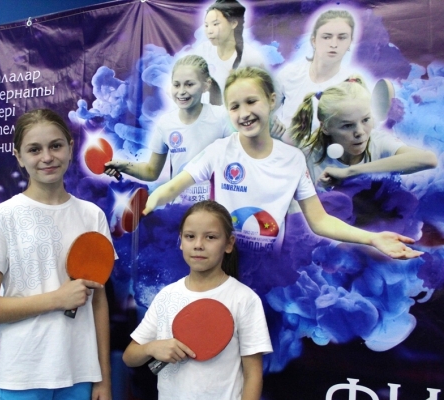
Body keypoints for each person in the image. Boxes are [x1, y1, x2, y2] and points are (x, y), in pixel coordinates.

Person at [143, 67, 423, 260]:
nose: (244, 113)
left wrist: (372, 238)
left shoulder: (292, 159)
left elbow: (320, 220)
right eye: (235, 106)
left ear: (271, 101)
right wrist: (152, 201)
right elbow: (174, 187)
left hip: (267, 270)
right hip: (222, 266)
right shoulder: (219, 151)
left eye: (251, 101)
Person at [0, 108, 112, 400]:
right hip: (24, 374)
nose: (47, 157)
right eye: (34, 149)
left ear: (71, 148)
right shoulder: (1, 218)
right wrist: (56, 299)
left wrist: (103, 378)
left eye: (56, 146)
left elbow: (98, 303)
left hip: (79, 373)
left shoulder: (92, 216)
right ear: (19, 156)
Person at [122, 200, 272, 400]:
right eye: (190, 236)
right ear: (181, 242)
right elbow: (130, 357)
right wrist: (152, 348)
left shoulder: (244, 299)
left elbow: (253, 375)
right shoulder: (167, 296)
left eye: (210, 237)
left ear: (229, 244)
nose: (199, 245)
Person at [105, 55, 232, 203]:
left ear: (206, 85)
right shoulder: (166, 123)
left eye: (189, 84)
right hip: (180, 210)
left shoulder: (222, 117)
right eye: (176, 85)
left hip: (216, 209)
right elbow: (151, 171)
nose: (181, 91)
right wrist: (123, 166)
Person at [289, 76, 438, 189]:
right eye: (347, 126)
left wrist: (351, 172)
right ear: (325, 128)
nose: (360, 132)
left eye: (366, 120)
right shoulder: (306, 156)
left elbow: (428, 159)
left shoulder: (378, 142)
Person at [276, 9, 362, 133]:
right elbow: (266, 110)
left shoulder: (352, 86)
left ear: (350, 43)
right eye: (326, 37)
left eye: (342, 38)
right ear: (314, 40)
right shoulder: (289, 73)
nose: (334, 44)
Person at [191, 0, 265, 102]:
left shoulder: (251, 57)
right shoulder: (202, 51)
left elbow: (261, 95)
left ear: (233, 23)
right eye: (206, 25)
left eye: (215, 24)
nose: (209, 31)